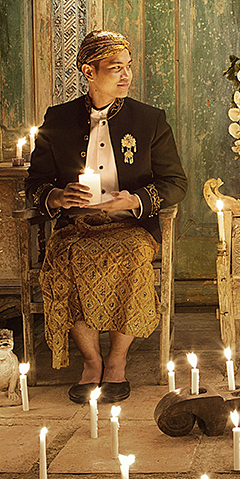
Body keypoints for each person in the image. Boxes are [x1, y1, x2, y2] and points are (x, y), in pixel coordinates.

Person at [26, 31, 187, 405]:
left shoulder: (149, 120)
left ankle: (116, 361)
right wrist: (57, 196)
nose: (126, 75)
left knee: (128, 257)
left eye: (128, 67)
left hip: (131, 227)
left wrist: (134, 200)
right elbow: (34, 182)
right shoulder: (58, 119)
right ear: (89, 71)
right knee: (64, 260)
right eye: (116, 68)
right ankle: (91, 361)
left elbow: (175, 183)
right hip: (77, 227)